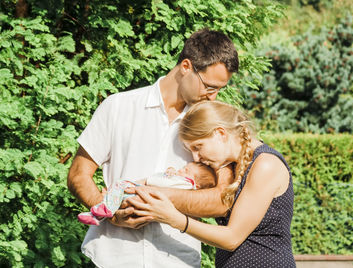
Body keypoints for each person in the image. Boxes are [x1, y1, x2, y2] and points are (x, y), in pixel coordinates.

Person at [67, 29, 239, 267]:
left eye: (219, 89)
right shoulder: (118, 107)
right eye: (209, 86)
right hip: (113, 258)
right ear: (186, 66)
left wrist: (153, 202)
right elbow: (78, 174)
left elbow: (222, 200)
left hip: (177, 259)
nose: (213, 97)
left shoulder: (213, 125)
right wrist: (112, 213)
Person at [129, 101, 296, 268]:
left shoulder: (266, 165)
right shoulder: (231, 166)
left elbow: (232, 238)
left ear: (220, 133)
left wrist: (174, 219)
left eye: (198, 147)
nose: (196, 158)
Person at [77, 162, 216, 226]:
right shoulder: (184, 184)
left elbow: (162, 182)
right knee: (117, 198)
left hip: (142, 194)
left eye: (186, 171)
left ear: (196, 184)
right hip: (144, 198)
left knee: (120, 184)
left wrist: (165, 176)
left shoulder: (186, 185)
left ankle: (103, 210)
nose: (181, 171)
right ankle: (97, 215)